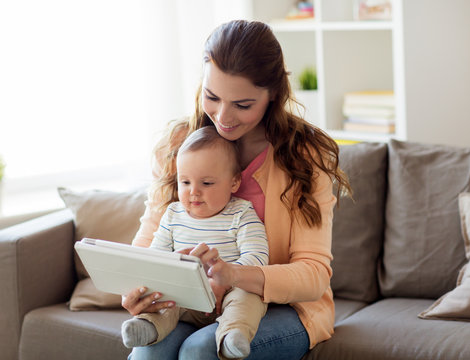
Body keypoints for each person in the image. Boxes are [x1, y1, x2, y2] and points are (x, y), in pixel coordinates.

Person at [122, 19, 351, 360]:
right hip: (191, 302)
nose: (223, 116)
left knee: (201, 351)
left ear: (273, 95)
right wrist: (136, 288)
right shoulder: (177, 146)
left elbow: (314, 274)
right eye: (212, 97)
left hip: (283, 306)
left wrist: (234, 275)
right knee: (148, 352)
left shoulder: (304, 155)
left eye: (243, 104)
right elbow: (150, 237)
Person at [121, 126, 269, 359]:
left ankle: (232, 336)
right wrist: (175, 260)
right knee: (164, 298)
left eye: (207, 183)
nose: (193, 192)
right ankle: (147, 328)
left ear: (234, 182)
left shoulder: (241, 213)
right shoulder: (172, 215)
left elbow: (258, 257)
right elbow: (154, 259)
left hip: (229, 293)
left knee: (247, 299)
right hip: (184, 296)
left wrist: (226, 274)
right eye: (185, 182)